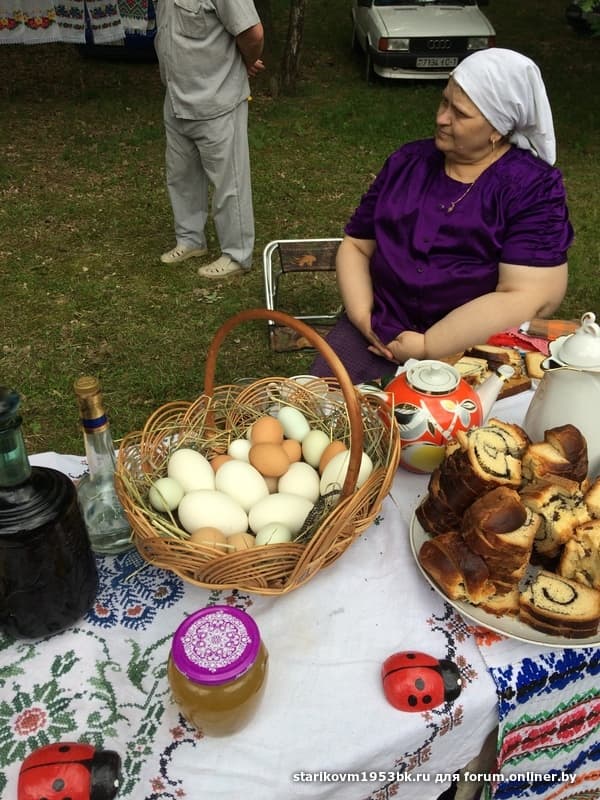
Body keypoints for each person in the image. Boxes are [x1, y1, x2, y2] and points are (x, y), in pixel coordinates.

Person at [310, 48, 573, 384]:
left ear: (497, 128)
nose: (442, 118)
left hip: (471, 352)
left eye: (460, 113)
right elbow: (357, 246)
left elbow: (528, 295)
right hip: (375, 335)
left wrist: (428, 346)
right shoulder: (408, 162)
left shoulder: (531, 186)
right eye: (444, 102)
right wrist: (364, 319)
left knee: (450, 420)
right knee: (318, 407)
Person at [154, 0, 265, 278]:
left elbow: (253, 34)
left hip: (218, 98)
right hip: (177, 98)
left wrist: (246, 62)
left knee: (230, 182)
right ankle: (190, 240)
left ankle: (237, 255)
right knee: (181, 175)